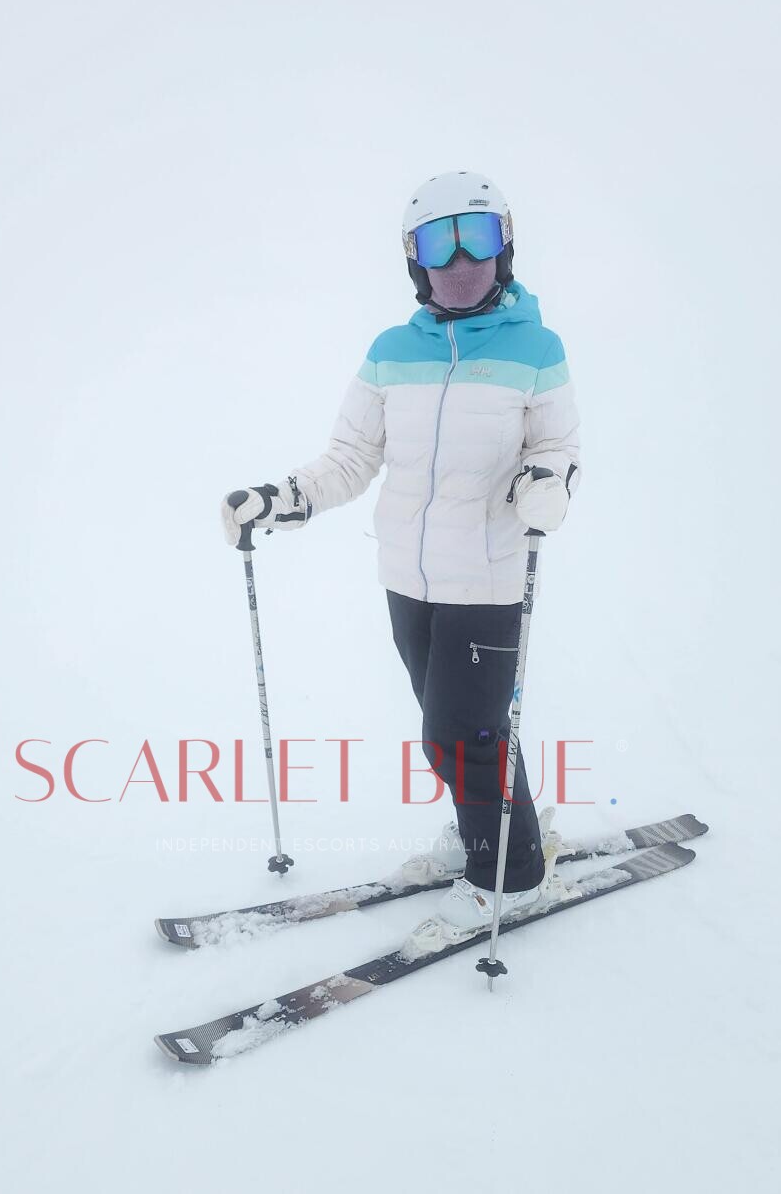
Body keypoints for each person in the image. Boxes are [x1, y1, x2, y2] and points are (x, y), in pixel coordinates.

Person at [221, 170, 580, 934]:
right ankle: (488, 829)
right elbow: (351, 456)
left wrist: (546, 483)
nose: (460, 260)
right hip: (407, 580)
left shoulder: (536, 349)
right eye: (438, 243)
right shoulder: (390, 352)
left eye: (476, 237)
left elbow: (556, 447)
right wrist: (280, 498)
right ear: (414, 259)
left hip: (488, 580)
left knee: (462, 733)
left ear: (506, 246)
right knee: (465, 728)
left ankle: (511, 874)